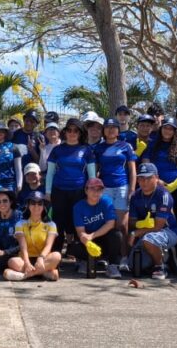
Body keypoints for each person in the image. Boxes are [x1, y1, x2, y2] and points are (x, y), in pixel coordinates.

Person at [45, 118, 97, 248]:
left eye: (76, 130)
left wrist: (92, 192)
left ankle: (77, 253)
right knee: (58, 222)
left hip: (79, 191)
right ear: (65, 132)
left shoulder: (87, 150)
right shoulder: (57, 150)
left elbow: (92, 175)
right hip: (59, 190)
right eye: (69, 130)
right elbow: (50, 173)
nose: (72, 133)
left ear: (80, 133)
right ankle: (56, 253)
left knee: (77, 221)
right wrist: (48, 192)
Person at [94, 118, 137, 264]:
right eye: (107, 127)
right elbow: (95, 170)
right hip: (104, 188)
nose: (110, 130)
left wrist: (131, 189)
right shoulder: (99, 148)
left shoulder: (126, 146)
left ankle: (124, 257)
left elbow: (132, 169)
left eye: (114, 127)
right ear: (103, 131)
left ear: (118, 130)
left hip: (121, 187)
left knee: (122, 225)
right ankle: (107, 256)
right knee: (105, 223)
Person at [128, 163, 177, 280]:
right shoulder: (136, 195)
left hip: (168, 231)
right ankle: (166, 258)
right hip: (146, 231)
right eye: (141, 178)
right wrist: (140, 224)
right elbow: (131, 222)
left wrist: (136, 233)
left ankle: (159, 266)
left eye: (148, 178)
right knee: (134, 265)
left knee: (149, 239)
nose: (144, 181)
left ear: (156, 178)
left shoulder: (164, 195)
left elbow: (158, 226)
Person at [70, 178, 123, 278]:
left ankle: (112, 265)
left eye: (99, 189)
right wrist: (86, 239)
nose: (96, 192)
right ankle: (87, 261)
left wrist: (92, 235)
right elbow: (81, 232)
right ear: (86, 190)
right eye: (92, 189)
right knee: (75, 245)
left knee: (116, 235)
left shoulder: (106, 201)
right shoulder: (78, 207)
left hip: (102, 238)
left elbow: (111, 224)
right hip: (88, 241)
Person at [5, 191, 62, 281]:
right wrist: (27, 263)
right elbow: (23, 247)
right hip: (26, 258)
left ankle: (26, 275)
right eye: (33, 203)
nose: (36, 206)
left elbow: (48, 245)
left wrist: (40, 258)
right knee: (12, 261)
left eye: (40, 203)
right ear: (28, 205)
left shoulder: (51, 224)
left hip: (44, 259)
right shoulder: (20, 224)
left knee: (57, 256)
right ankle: (43, 273)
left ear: (44, 206)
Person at [142, 118, 177, 216]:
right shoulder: (152, 145)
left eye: (170, 129)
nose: (167, 131)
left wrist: (174, 185)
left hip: (176, 190)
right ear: (160, 129)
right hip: (155, 187)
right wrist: (156, 180)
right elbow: (145, 163)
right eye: (165, 128)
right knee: (155, 216)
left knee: (176, 217)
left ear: (174, 131)